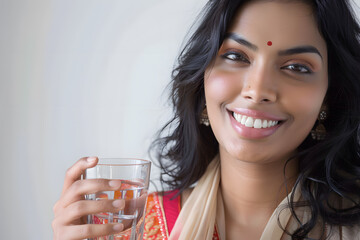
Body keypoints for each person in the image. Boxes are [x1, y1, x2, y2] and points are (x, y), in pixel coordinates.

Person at [52, 0, 360, 239]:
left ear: (329, 98)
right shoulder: (135, 226)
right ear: (202, 82)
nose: (258, 90)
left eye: (297, 67)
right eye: (237, 56)